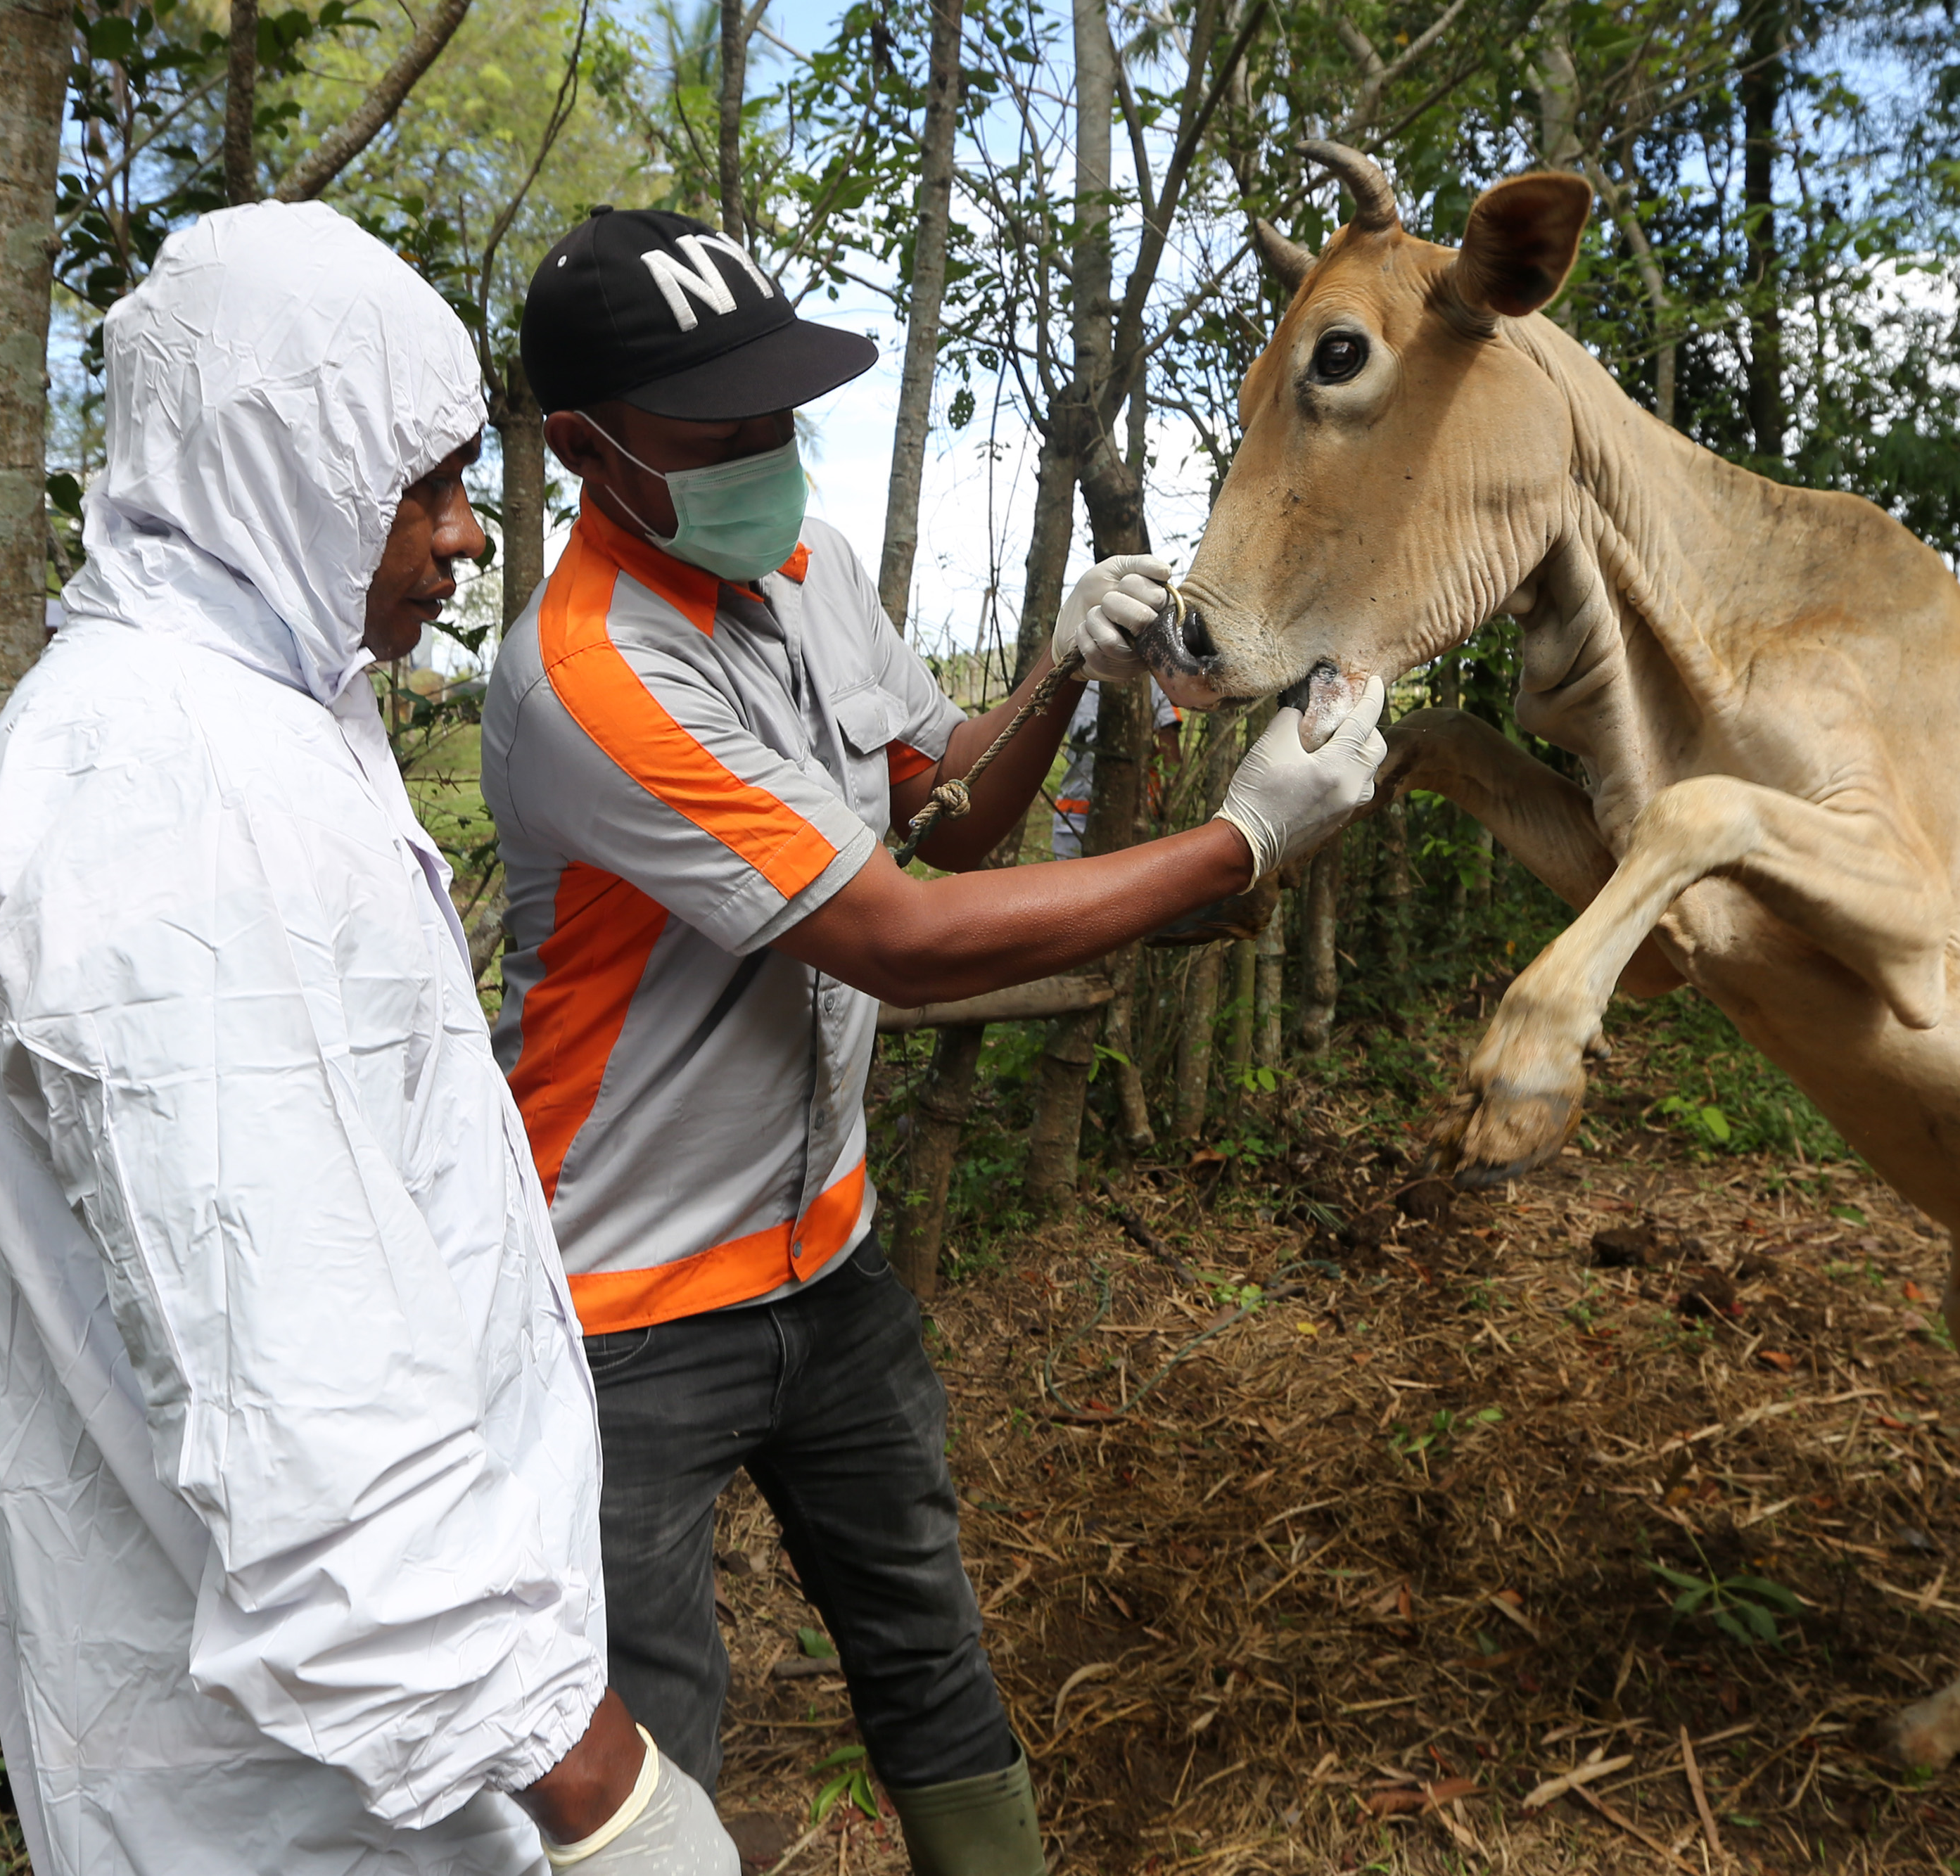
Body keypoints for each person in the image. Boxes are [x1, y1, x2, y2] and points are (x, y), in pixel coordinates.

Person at [485, 205, 1383, 1875]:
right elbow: (894, 936)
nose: (768, 448)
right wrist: (1238, 845)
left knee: (926, 1648)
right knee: (649, 1743)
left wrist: (1057, 671)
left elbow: (940, 816)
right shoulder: (585, 676)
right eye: (718, 423)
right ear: (590, 449)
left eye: (779, 408)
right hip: (616, 1315)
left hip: (825, 1257)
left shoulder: (807, 572)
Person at [0, 203, 735, 1875]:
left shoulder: (272, 719)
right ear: (276, 469)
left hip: (408, 1752)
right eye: (424, 485)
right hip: (318, 1798)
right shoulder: (156, 789)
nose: (463, 538)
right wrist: (598, 1792)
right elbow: (301, 1401)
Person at [1048, 677, 1181, 860]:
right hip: (1076, 809)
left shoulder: (1152, 677)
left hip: (1135, 814)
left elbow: (1170, 750)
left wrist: (1165, 806)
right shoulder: (1075, 676)